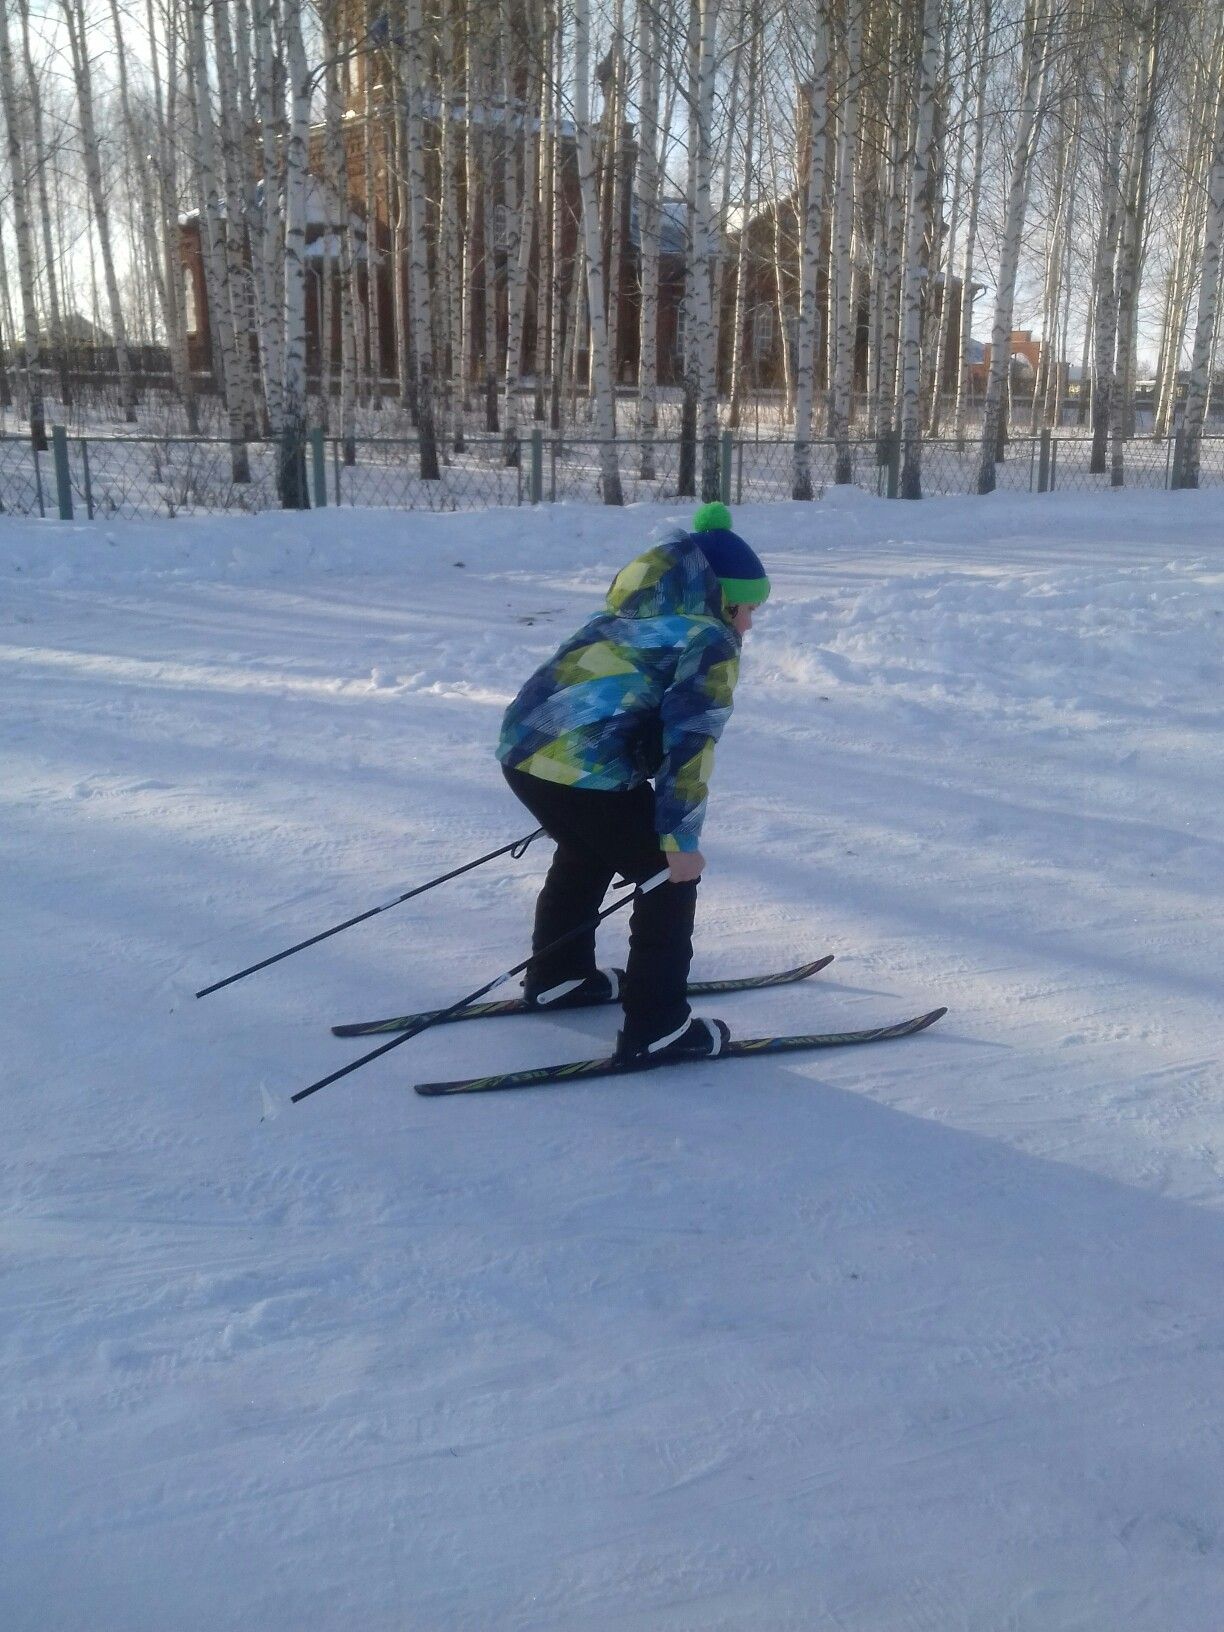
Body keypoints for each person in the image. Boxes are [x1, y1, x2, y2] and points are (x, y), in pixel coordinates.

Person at [497, 501, 770, 1063]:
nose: (748, 624)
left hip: (523, 753)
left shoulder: (627, 615)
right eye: (746, 608)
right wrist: (679, 843)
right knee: (665, 878)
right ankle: (658, 1026)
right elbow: (690, 744)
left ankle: (561, 977)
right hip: (585, 769)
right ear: (722, 600)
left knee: (587, 849)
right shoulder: (710, 640)